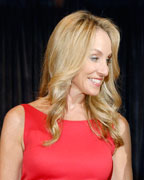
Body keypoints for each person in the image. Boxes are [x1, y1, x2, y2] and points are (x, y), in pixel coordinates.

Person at [0, 10, 133, 180]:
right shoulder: (19, 120)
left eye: (107, 60)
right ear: (68, 57)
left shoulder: (116, 126)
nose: (105, 70)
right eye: (94, 58)